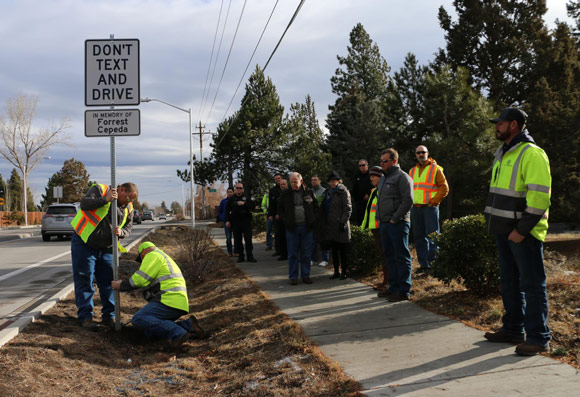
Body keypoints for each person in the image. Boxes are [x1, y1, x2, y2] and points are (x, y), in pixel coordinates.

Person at [483, 107, 552, 356]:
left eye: (499, 123)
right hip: (504, 231)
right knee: (510, 283)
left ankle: (538, 337)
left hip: (524, 233)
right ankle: (513, 329)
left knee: (532, 285)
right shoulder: (502, 153)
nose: (496, 127)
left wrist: (522, 231)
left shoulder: (532, 154)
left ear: (514, 125)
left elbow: (539, 199)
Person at [70, 182, 138, 329]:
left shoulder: (129, 207)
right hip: (84, 242)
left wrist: (122, 233)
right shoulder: (101, 190)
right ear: (120, 190)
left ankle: (109, 316)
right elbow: (84, 204)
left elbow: (129, 227)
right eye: (126, 198)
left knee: (109, 282)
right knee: (84, 279)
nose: (128, 202)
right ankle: (86, 317)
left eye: (130, 200)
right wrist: (105, 200)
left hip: (107, 248)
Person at [112, 242, 205, 346]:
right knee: (150, 332)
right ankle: (188, 326)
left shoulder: (152, 255)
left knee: (139, 319)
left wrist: (122, 285)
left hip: (168, 300)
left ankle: (177, 332)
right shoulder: (163, 257)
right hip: (177, 301)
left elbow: (141, 279)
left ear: (144, 251)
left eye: (141, 258)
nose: (142, 261)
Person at [376, 148, 414, 302]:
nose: (382, 164)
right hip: (385, 223)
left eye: (385, 161)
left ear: (394, 161)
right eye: (381, 161)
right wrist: (380, 218)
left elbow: (408, 200)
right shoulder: (383, 178)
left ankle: (404, 290)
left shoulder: (403, 177)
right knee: (389, 256)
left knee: (401, 256)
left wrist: (395, 218)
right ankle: (393, 288)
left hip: (397, 223)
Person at [409, 145, 449, 273]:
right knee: (419, 237)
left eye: (423, 152)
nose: (421, 154)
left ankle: (434, 265)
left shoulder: (435, 169)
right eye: (418, 152)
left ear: (428, 153)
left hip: (429, 208)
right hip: (416, 208)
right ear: (415, 154)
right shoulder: (412, 171)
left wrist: (434, 201)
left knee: (432, 236)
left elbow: (444, 187)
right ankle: (424, 265)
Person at [278, 172, 318, 285]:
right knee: (292, 253)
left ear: (301, 181)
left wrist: (313, 219)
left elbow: (316, 207)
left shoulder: (309, 192)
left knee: (306, 253)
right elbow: (280, 209)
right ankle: (293, 277)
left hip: (307, 227)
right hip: (292, 228)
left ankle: (306, 275)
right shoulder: (285, 194)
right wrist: (286, 220)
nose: (293, 184)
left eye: (295, 182)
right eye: (291, 182)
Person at [320, 171, 352, 280]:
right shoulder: (327, 193)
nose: (332, 183)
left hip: (340, 225)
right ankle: (336, 271)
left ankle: (344, 271)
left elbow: (347, 208)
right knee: (334, 251)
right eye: (330, 181)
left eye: (334, 180)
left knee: (342, 251)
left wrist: (342, 222)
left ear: (338, 181)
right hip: (330, 226)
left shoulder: (343, 192)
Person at [361, 166, 388, 292]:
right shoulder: (374, 191)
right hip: (375, 228)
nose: (371, 178)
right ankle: (386, 281)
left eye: (374, 176)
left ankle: (387, 282)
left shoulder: (382, 190)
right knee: (383, 255)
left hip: (381, 227)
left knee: (386, 255)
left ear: (380, 176)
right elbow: (369, 211)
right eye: (370, 176)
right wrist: (365, 226)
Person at [226, 182, 257, 263]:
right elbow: (227, 211)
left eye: (240, 188)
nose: (239, 189)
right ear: (235, 189)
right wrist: (227, 221)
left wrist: (244, 203)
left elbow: (252, 206)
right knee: (237, 240)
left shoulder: (246, 197)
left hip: (246, 222)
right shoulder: (231, 199)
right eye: (237, 188)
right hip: (235, 222)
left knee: (248, 239)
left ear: (243, 189)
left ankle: (250, 256)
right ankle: (241, 256)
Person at [310, 174, 330, 267]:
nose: (313, 181)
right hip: (313, 219)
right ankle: (313, 259)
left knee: (323, 239)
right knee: (313, 240)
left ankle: (325, 259)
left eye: (315, 180)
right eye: (312, 180)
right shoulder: (310, 192)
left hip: (322, 219)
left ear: (319, 181)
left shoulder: (324, 191)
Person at [352, 159, 373, 226]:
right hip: (359, 203)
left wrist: (369, 194)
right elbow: (354, 188)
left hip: (370, 203)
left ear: (367, 165)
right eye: (360, 166)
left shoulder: (371, 175)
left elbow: (374, 186)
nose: (361, 167)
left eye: (363, 165)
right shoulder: (357, 176)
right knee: (360, 221)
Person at [273, 179, 289, 261]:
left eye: (284, 184)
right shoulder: (278, 194)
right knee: (281, 237)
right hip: (280, 219)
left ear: (287, 184)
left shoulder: (290, 193)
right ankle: (283, 254)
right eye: (281, 184)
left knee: (289, 238)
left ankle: (290, 254)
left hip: (289, 219)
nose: (282, 186)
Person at [267, 174, 283, 256]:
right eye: (276, 179)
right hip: (275, 216)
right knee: (277, 234)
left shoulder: (285, 188)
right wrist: (271, 214)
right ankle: (278, 250)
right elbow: (271, 204)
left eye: (279, 178)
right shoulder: (272, 190)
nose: (277, 180)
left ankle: (285, 251)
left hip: (285, 216)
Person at [218, 187, 235, 257]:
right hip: (227, 223)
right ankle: (230, 252)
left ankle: (237, 251)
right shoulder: (223, 202)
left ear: (233, 192)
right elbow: (220, 211)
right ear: (227, 193)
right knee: (228, 238)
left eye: (231, 192)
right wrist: (224, 219)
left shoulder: (235, 200)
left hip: (235, 222)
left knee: (237, 238)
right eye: (228, 192)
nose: (229, 193)